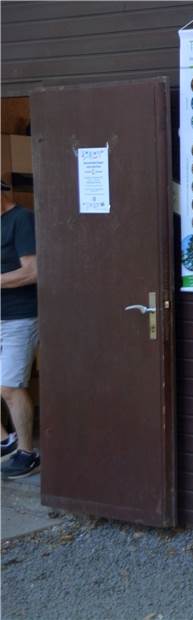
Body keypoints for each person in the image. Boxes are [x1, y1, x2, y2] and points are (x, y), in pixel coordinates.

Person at [1, 182, 40, 480]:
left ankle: (27, 453)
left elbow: (32, 271)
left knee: (10, 387)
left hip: (19, 317)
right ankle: (5, 440)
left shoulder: (22, 219)